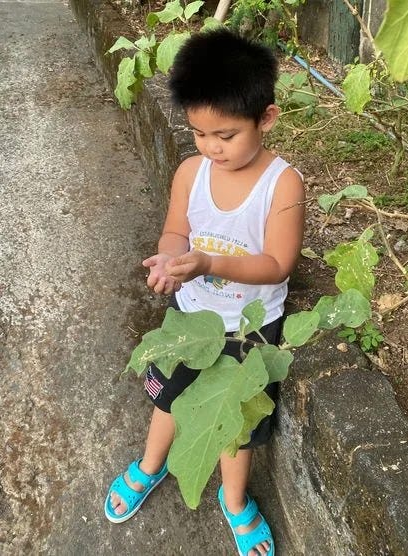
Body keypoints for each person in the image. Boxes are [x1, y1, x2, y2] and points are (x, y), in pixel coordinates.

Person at [104, 28, 305, 556]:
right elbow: (177, 230)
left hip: (250, 329)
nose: (211, 147)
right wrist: (171, 260)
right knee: (170, 398)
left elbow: (278, 263)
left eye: (226, 135)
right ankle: (151, 465)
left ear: (267, 117)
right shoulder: (190, 173)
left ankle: (234, 501)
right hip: (193, 315)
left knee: (233, 423)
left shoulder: (282, 186)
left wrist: (211, 262)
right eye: (199, 133)